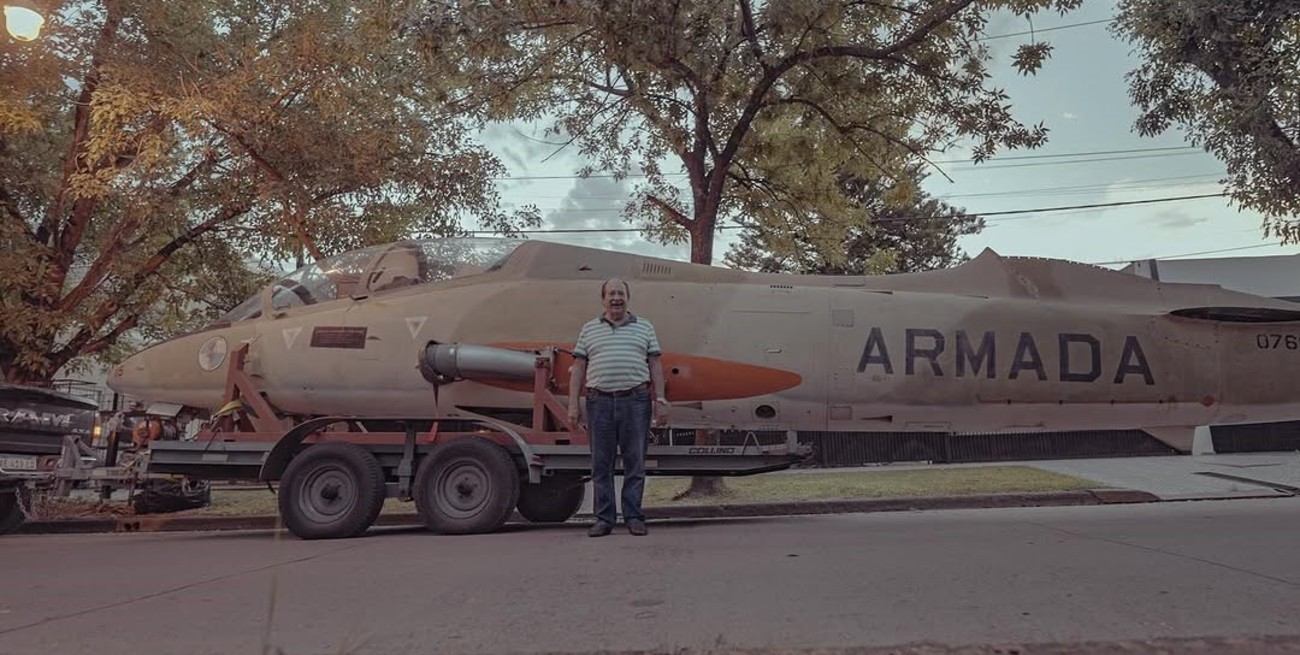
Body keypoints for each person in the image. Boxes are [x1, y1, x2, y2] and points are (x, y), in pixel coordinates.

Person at [567, 278, 668, 537]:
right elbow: (578, 368)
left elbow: (655, 364)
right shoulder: (589, 329)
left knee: (635, 462)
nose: (616, 298)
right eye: (611, 293)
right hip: (598, 402)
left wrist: (661, 400)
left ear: (627, 298)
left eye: (620, 293)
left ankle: (633, 517)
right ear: (603, 299)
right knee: (601, 464)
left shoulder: (645, 327)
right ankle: (604, 519)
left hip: (636, 401)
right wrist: (573, 405)